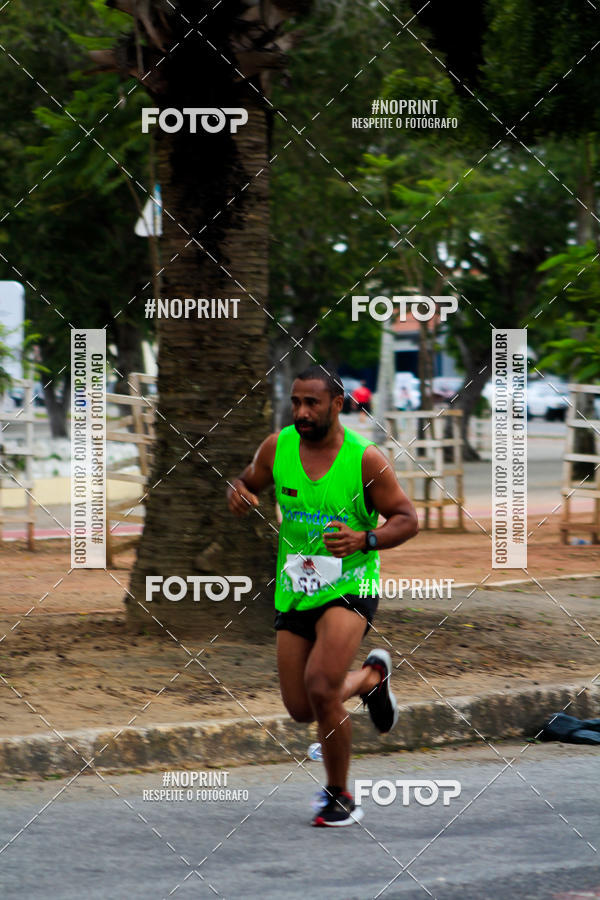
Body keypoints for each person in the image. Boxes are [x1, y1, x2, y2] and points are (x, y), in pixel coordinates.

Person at [226, 365, 418, 827]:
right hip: (296, 587)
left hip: (352, 584)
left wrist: (364, 539)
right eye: (295, 402)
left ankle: (339, 794)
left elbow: (407, 518)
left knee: (321, 686)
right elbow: (246, 481)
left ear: (337, 404)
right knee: (300, 708)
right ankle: (371, 678)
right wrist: (239, 493)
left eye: (312, 403)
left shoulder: (364, 459)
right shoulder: (277, 447)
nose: (301, 412)